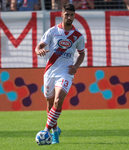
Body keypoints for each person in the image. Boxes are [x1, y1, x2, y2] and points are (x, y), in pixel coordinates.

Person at [35, 3, 85, 144]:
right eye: (67, 14)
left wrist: (76, 66)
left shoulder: (78, 36)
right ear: (62, 14)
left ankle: (45, 131)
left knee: (58, 100)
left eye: (72, 15)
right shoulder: (52, 31)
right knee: (50, 105)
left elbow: (82, 54)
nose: (69, 17)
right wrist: (39, 51)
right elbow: (39, 47)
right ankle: (56, 131)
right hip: (50, 71)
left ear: (74, 16)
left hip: (66, 72)